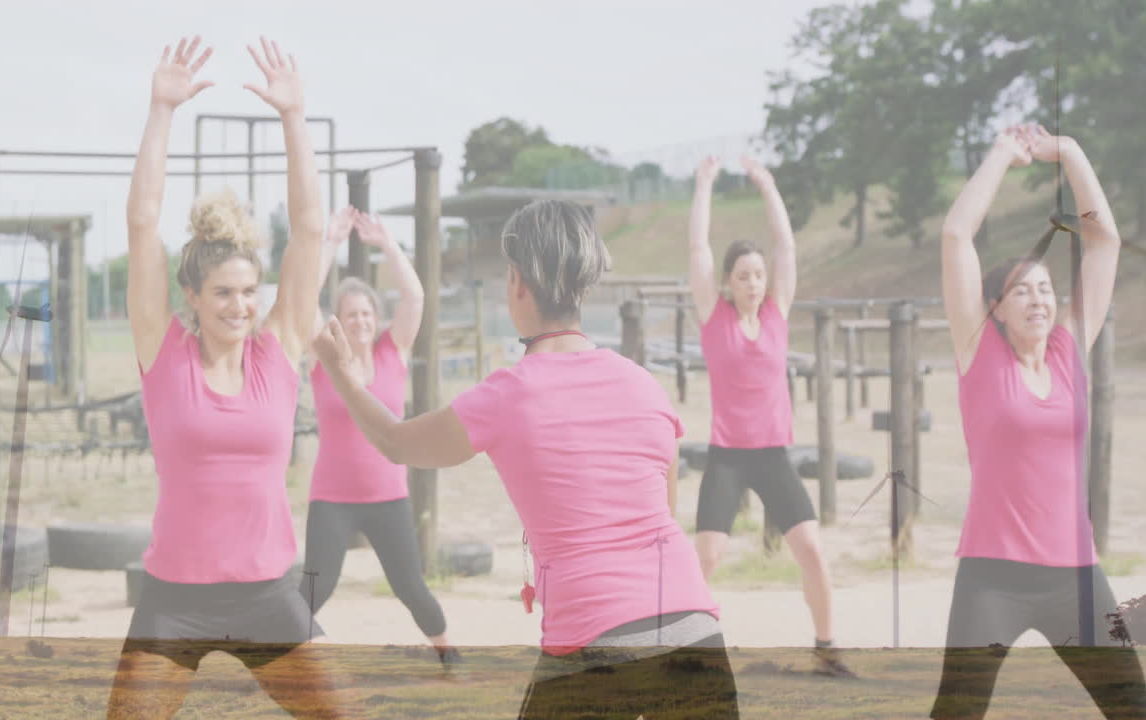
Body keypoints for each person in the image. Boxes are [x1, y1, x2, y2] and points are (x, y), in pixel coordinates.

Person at [311, 199, 739, 719]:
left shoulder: (507, 395)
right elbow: (663, 513)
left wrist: (339, 374)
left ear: (517, 284)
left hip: (592, 641)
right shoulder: (645, 385)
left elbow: (396, 443)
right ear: (581, 287)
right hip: (695, 631)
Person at [109, 36, 357, 720]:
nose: (241, 306)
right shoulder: (163, 352)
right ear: (193, 294)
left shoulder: (278, 351)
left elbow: (309, 232)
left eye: (249, 291)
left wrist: (294, 118)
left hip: (269, 595)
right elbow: (141, 225)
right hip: (174, 599)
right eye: (223, 292)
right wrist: (161, 108)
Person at [932, 123, 1146, 719]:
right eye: (1021, 291)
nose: (1038, 298)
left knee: (1135, 710)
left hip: (1076, 577)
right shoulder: (978, 355)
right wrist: (1003, 157)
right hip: (993, 577)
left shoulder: (1067, 354)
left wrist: (1072, 155)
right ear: (995, 310)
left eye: (1045, 289)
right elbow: (957, 234)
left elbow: (1103, 241)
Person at [688, 155, 854, 678]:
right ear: (728, 282)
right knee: (707, 560)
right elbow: (697, 246)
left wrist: (768, 185)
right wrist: (705, 183)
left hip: (773, 457)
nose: (755, 283)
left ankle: (827, 650)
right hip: (728, 458)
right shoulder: (713, 317)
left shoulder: (778, 314)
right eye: (744, 276)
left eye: (759, 275)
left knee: (812, 551)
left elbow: (786, 245)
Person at [301, 207, 458, 670]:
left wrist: (388, 243)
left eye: (366, 312)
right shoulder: (324, 357)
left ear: (376, 317)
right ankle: (276, 663)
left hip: (388, 497)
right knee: (315, 588)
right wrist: (328, 243)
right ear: (338, 320)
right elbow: (302, 297)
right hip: (331, 498)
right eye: (350, 314)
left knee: (411, 587)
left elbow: (415, 297)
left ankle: (450, 655)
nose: (360, 320)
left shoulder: (393, 351)